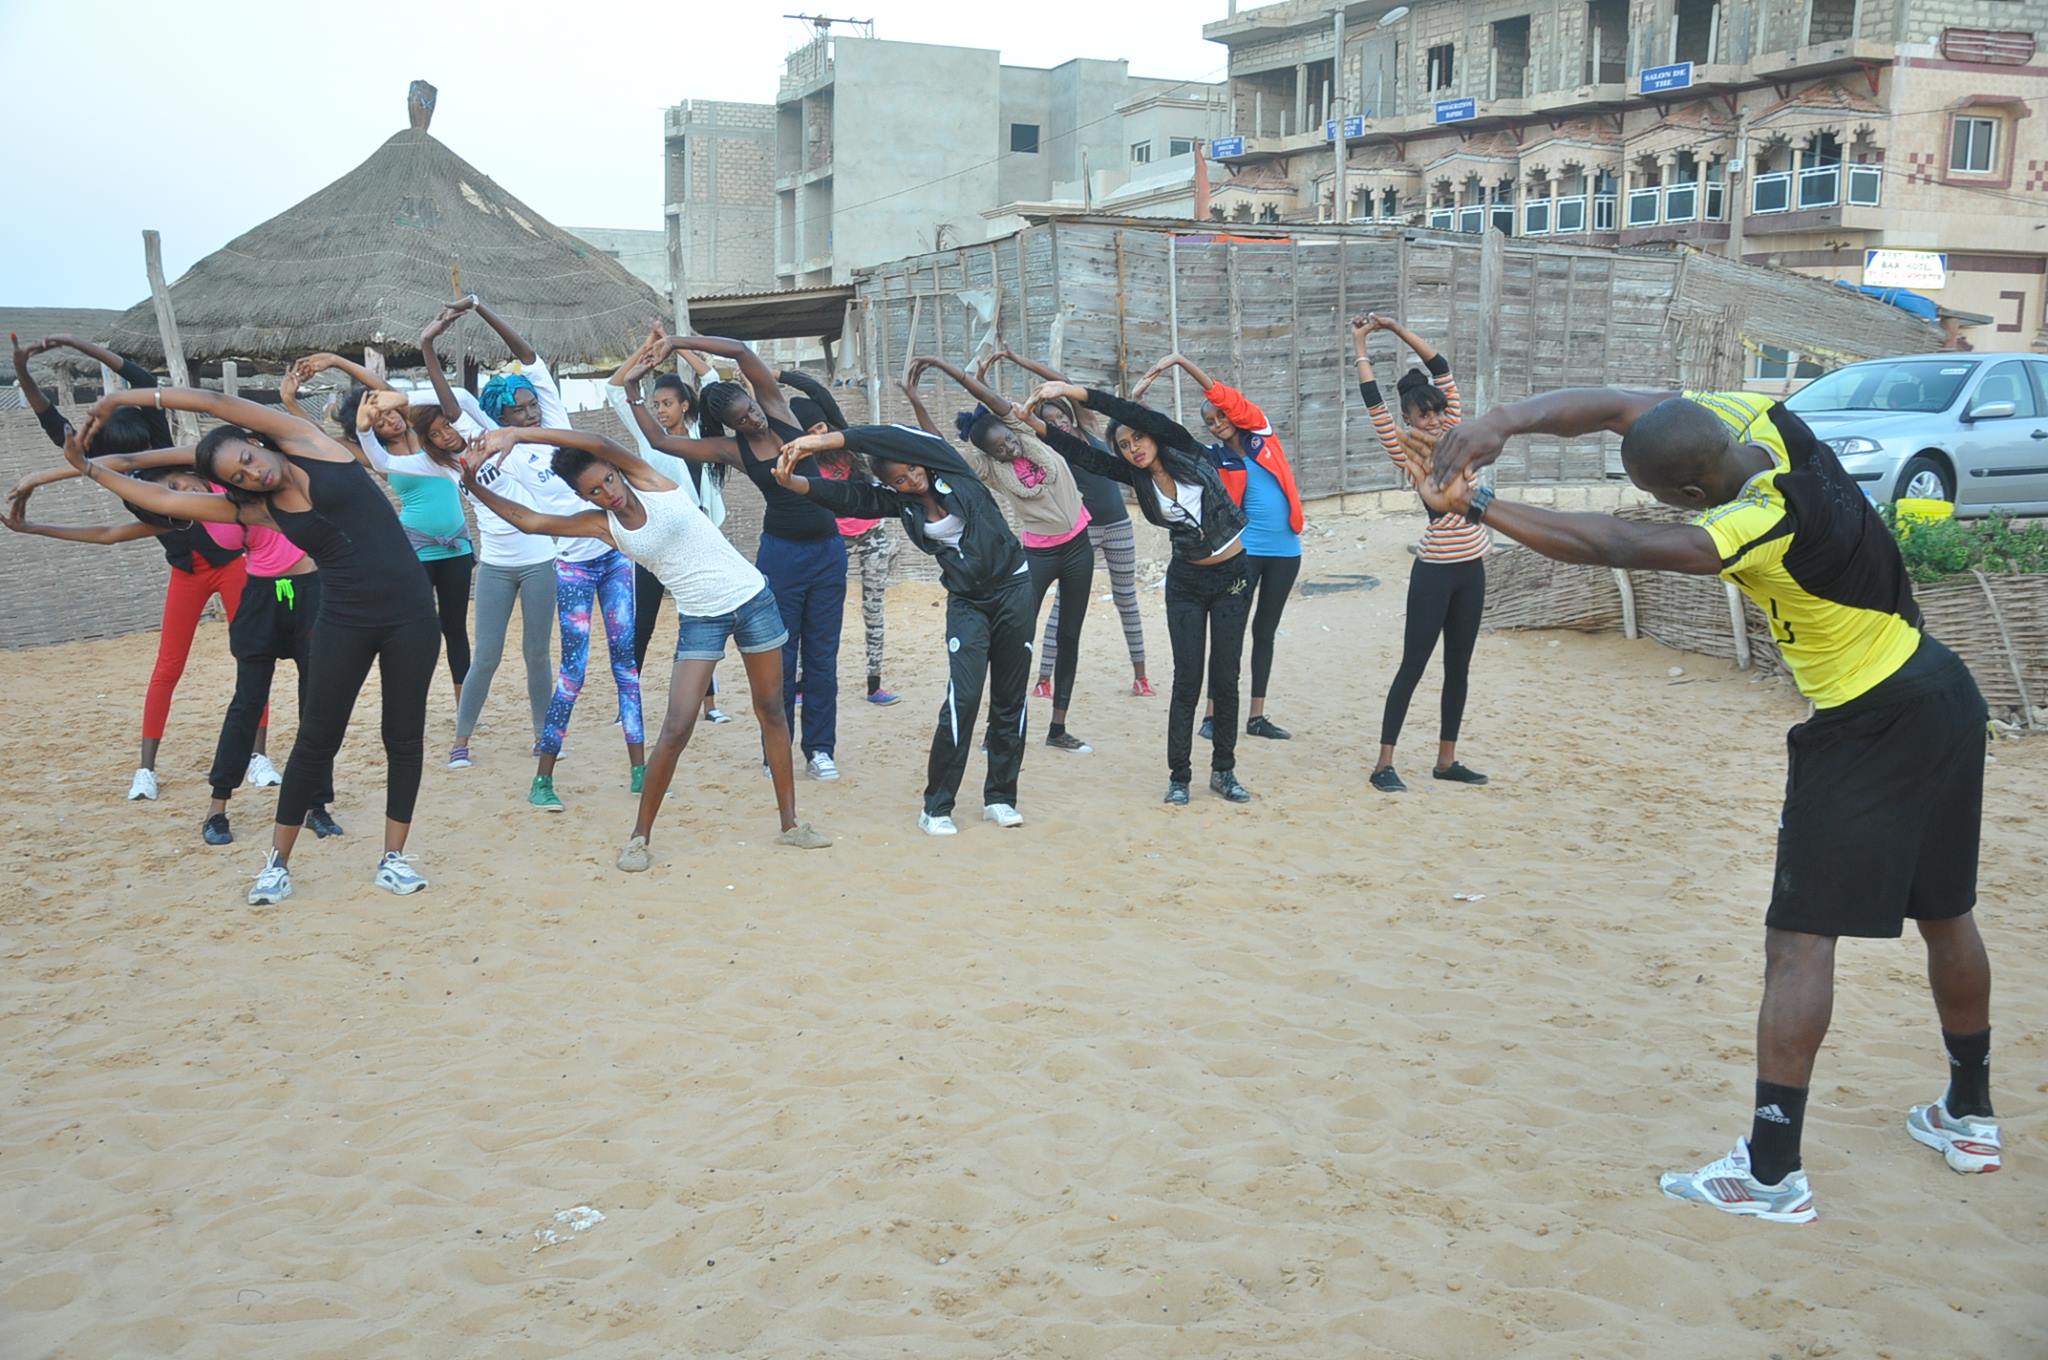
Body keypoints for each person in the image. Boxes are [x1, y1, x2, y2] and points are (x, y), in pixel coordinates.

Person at [1419, 384, 1999, 1224]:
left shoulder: (1756, 524)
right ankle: (1970, 1115)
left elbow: (1618, 543)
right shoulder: (1772, 426)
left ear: (1690, 494)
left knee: (1798, 947)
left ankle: (1770, 1173)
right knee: (1948, 915)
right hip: (1944, 690)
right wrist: (1500, 421)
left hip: (1870, 721)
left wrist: (1479, 500)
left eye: (1667, 496)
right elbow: (1623, 406)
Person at [64, 386, 442, 904]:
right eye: (238, 478)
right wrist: (91, 470)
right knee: (315, 740)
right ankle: (277, 864)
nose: (253, 473)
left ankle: (393, 858)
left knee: (403, 737)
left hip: (412, 616)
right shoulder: (261, 511)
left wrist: (125, 398)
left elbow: (213, 404)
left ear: (254, 441)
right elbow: (170, 500)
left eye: (248, 459)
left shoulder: (308, 442)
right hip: (343, 620)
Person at [462, 425, 830, 867]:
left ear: (618, 470)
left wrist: (518, 435)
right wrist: (470, 483)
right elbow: (531, 521)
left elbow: (596, 442)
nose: (607, 493)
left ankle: (791, 824)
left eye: (608, 480)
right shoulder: (603, 526)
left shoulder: (651, 481)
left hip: (754, 601)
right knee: (676, 727)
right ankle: (639, 838)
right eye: (594, 491)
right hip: (700, 619)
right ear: (586, 498)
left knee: (771, 710)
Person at [9, 332, 276, 800]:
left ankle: (259, 757)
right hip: (187, 569)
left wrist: (77, 342)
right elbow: (49, 419)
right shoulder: (93, 459)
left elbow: (140, 377)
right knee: (167, 667)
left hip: (234, 564)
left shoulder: (157, 440)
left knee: (251, 656)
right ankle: (146, 771)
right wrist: (25, 372)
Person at [771, 424, 1032, 835]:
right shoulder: (904, 504)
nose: (912, 479)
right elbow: (852, 498)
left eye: (912, 469)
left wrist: (820, 441)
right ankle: (937, 806)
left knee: (1010, 699)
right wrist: (798, 484)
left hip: (1014, 589)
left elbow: (892, 438)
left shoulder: (951, 469)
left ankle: (1000, 797)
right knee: (962, 699)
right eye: (899, 479)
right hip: (968, 602)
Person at [621, 335, 849, 781]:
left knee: (823, 655)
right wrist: (632, 391)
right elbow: (659, 441)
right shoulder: (732, 450)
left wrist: (677, 342)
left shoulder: (781, 412)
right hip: (782, 556)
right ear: (730, 426)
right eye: (742, 418)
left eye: (752, 407)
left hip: (828, 551)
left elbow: (741, 353)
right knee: (781, 655)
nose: (754, 416)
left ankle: (820, 749)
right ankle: (774, 751)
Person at [1022, 379, 1253, 806]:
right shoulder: (1134, 475)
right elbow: (1081, 454)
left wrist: (1076, 392)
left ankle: (1224, 770)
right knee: (1187, 680)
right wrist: (1033, 423)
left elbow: (1130, 412)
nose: (1133, 449)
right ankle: (1179, 776)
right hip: (1186, 582)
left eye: (1137, 438)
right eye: (1125, 446)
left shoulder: (1184, 448)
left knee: (1226, 677)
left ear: (1152, 434)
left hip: (1234, 578)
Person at [459, 299, 644, 811]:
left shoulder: (556, 417)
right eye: (516, 410)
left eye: (529, 403)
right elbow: (519, 512)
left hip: (615, 556)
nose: (528, 412)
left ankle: (639, 769)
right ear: (501, 416)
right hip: (573, 568)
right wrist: (472, 480)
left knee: (627, 666)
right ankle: (543, 779)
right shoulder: (509, 456)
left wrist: (481, 309)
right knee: (573, 673)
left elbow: (528, 355)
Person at [904, 356, 1095, 753]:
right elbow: (939, 448)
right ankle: (998, 727)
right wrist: (917, 402)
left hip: (1079, 545)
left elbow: (989, 397)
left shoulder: (1026, 429)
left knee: (1069, 635)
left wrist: (949, 368)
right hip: (1040, 554)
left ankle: (1058, 727)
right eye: (999, 449)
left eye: (1007, 441)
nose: (1008, 449)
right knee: (1015, 637)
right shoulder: (989, 469)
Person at [289, 346, 472, 716]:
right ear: (370, 428)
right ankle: (413, 703)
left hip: (458, 546)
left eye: (391, 413)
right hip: (416, 548)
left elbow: (383, 388)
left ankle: (464, 707)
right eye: (382, 419)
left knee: (455, 628)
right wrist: (288, 401)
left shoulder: (427, 435)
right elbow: (313, 438)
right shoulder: (376, 456)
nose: (391, 420)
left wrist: (338, 361)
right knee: (419, 629)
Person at [1351, 315, 1491, 791]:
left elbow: (1442, 367)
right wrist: (1361, 344)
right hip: (1434, 570)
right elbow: (1374, 405)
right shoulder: (1406, 450)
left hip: (1472, 566)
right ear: (1408, 419)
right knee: (1414, 664)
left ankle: (1446, 760)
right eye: (1421, 414)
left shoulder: (1457, 434)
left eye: (1434, 411)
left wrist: (1393, 328)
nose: (1430, 419)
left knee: (1459, 667)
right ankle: (1383, 764)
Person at [1133, 353, 1304, 742]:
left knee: (1266, 631)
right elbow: (1166, 439)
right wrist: (1140, 405)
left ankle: (1257, 716)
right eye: (1209, 421)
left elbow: (1220, 394)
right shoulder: (1214, 458)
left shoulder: (1262, 435)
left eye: (1221, 416)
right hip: (1245, 552)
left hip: (1287, 550)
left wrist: (1179, 361)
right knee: (1230, 634)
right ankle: (1212, 714)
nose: (1217, 424)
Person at [989, 349, 1152, 697]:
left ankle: (1141, 676)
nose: (1059, 422)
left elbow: (1062, 383)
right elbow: (1010, 417)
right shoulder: (1050, 447)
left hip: (1120, 525)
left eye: (1060, 415)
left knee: (1127, 600)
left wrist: (1020, 360)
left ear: (1067, 412)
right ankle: (1044, 679)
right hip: (1083, 531)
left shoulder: (1090, 427)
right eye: (1050, 419)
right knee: (1064, 604)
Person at [608, 322, 734, 724]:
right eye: (657, 404)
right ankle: (627, 705)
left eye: (667, 403)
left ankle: (709, 706)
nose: (660, 410)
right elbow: (614, 389)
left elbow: (712, 377)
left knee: (701, 622)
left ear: (685, 406)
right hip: (657, 546)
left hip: (700, 545)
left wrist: (674, 346)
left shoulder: (701, 434)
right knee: (640, 625)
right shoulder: (647, 437)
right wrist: (646, 350)